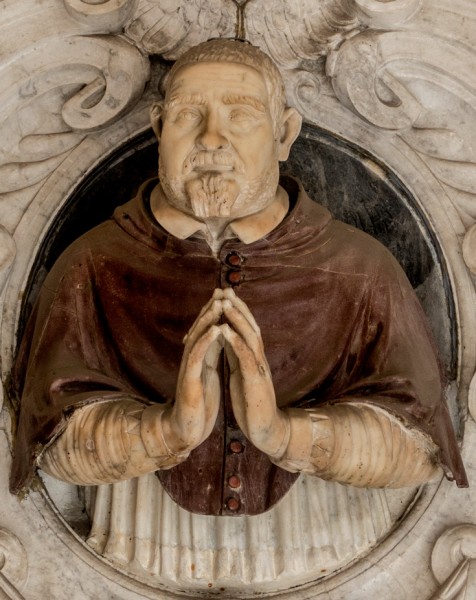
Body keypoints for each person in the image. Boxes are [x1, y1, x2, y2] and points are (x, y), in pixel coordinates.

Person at [9, 39, 467, 585]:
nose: (210, 139)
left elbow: (418, 447)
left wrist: (284, 434)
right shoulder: (93, 266)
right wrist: (165, 431)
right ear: (158, 129)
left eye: (241, 115)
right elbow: (49, 441)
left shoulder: (361, 269)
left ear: (285, 134)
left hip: (328, 552)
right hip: (143, 554)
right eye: (188, 115)